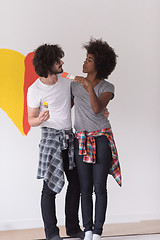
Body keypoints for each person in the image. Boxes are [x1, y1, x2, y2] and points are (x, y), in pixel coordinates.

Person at [27, 44, 84, 240]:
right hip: (50, 139)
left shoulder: (66, 82)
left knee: (76, 184)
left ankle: (73, 228)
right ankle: (51, 233)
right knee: (49, 188)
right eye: (58, 60)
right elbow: (30, 119)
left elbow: (73, 102)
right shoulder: (34, 89)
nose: (62, 63)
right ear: (47, 64)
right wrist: (40, 120)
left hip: (69, 137)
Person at [71, 38, 122, 240]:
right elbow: (65, 110)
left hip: (101, 140)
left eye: (89, 59)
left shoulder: (108, 87)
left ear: (99, 64)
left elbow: (96, 108)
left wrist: (88, 86)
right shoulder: (73, 86)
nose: (84, 62)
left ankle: (98, 232)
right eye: (86, 58)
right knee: (85, 189)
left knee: (99, 188)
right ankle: (88, 230)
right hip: (81, 140)